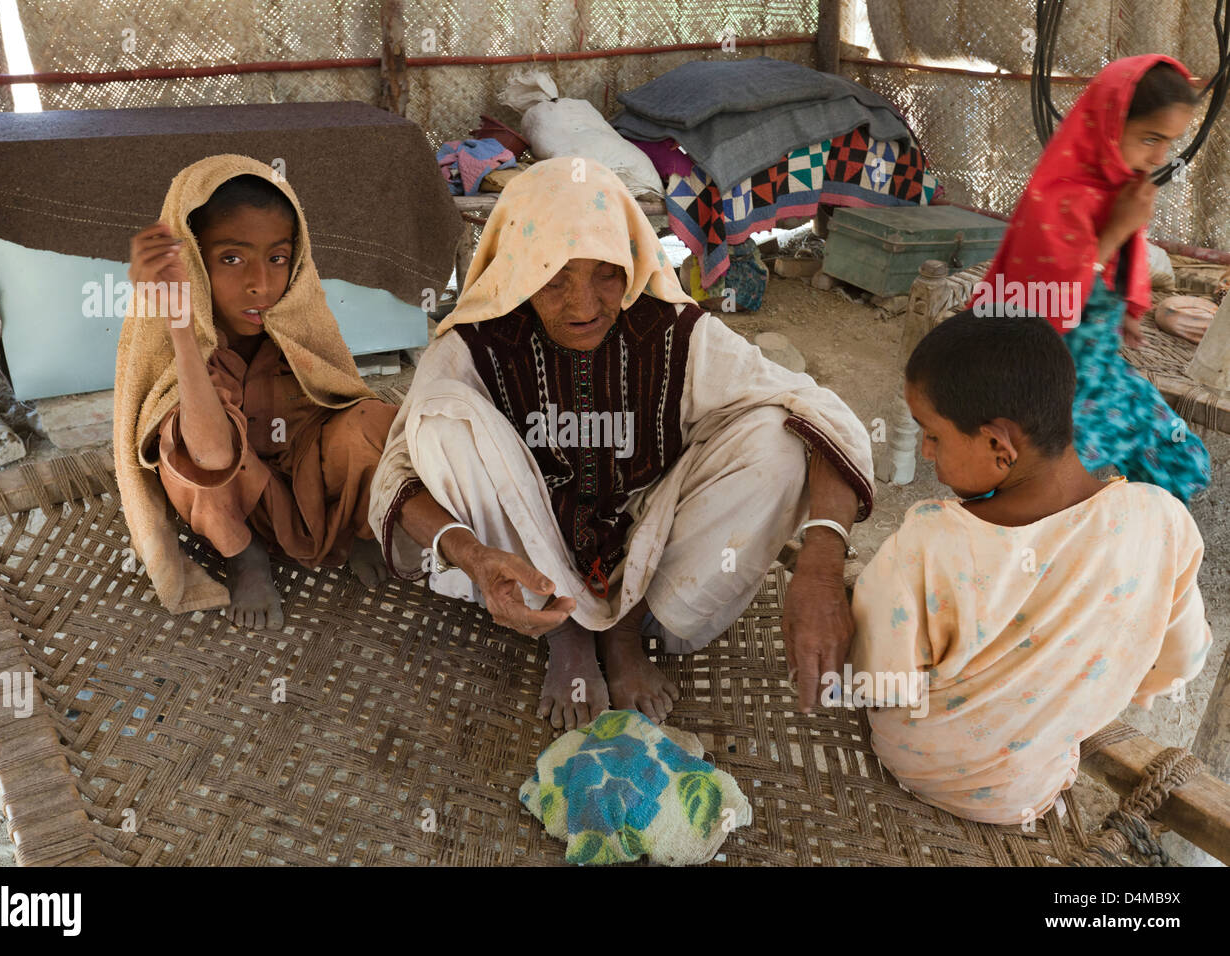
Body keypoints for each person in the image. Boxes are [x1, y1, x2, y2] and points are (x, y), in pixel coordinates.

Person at [368, 158, 874, 730]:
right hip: (525, 567)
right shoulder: (476, 343)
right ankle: (567, 632)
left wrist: (822, 567)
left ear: (633, 260)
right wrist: (474, 556)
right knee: (440, 421)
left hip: (651, 561)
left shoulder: (672, 329)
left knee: (779, 436)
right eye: (554, 278)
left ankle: (626, 630)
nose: (584, 306)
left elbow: (819, 412)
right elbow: (399, 475)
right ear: (516, 269)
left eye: (606, 272)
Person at [849, 309, 1210, 824]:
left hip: (917, 762)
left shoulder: (928, 543)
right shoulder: (1162, 520)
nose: (927, 451)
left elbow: (879, 679)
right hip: (1029, 782)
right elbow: (1182, 658)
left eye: (933, 435)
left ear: (1000, 445)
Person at [114, 155, 397, 626]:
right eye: (231, 259)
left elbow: (346, 404)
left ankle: (360, 527)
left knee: (377, 421)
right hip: (234, 499)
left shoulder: (299, 323)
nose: (259, 285)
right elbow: (208, 452)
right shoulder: (175, 338)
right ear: (191, 261)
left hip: (308, 477)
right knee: (183, 443)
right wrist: (181, 327)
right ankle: (244, 555)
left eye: (277, 258)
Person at [972, 54, 1211, 503]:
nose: (1160, 157)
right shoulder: (1056, 199)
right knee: (1015, 487)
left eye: (1170, 143)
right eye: (1150, 138)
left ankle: (1128, 525)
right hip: (1044, 381)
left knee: (1185, 461)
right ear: (1108, 125)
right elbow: (1044, 315)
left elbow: (1123, 263)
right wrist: (1117, 229)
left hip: (1100, 371)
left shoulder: (1116, 188)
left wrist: (1129, 311)